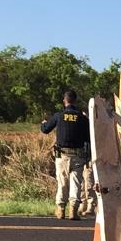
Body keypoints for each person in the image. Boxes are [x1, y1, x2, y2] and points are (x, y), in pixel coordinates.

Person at [40, 90, 90, 220]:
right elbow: (89, 137)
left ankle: (61, 209)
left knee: (62, 182)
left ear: (64, 101)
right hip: (78, 156)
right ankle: (73, 210)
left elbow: (45, 129)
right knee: (76, 183)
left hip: (62, 156)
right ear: (75, 101)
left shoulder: (59, 115)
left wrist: (43, 123)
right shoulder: (82, 117)